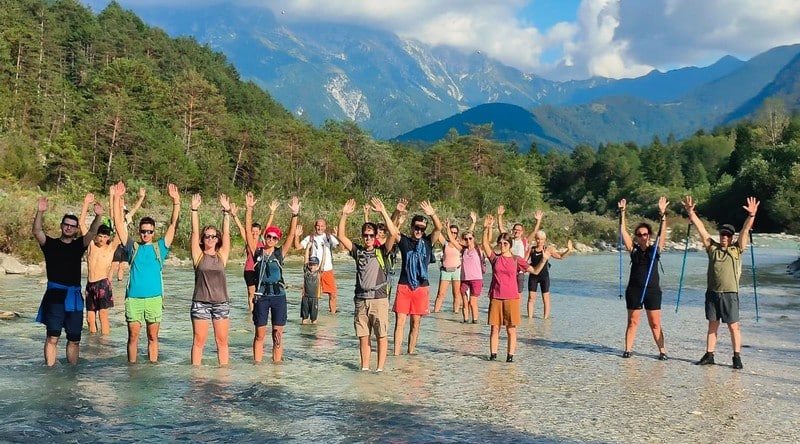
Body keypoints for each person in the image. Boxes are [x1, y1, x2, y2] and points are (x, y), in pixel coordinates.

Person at [683, 195, 759, 370]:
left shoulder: (737, 249)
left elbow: (745, 231)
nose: (724, 237)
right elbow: (702, 230)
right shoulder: (712, 248)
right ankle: (709, 355)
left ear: (732, 237)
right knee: (712, 325)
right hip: (712, 293)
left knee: (733, 327)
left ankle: (736, 357)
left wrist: (751, 216)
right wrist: (691, 213)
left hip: (730, 294)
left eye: (728, 235)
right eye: (722, 234)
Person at [112, 182, 180, 364]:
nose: (146, 234)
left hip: (154, 299)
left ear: (153, 232)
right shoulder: (132, 247)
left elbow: (173, 225)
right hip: (133, 299)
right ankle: (132, 370)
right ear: (139, 232)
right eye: (143, 231)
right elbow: (118, 224)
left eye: (149, 231)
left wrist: (176, 201)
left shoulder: (160, 248)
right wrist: (117, 198)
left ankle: (153, 368)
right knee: (133, 337)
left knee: (153, 337)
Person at [32, 195, 104, 366]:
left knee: (74, 339)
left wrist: (99, 216)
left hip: (74, 297)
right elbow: (37, 231)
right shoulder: (50, 244)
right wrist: (40, 211)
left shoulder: (79, 245)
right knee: (53, 336)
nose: (69, 228)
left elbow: (92, 232)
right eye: (66, 224)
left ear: (76, 229)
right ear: (61, 226)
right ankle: (50, 371)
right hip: (55, 295)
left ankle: (72, 373)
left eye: (72, 226)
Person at [338, 197, 400, 371]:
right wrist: (344, 215)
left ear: (375, 237)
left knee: (381, 336)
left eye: (371, 235)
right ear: (362, 236)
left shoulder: (383, 251)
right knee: (363, 336)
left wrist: (383, 212)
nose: (368, 238)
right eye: (365, 235)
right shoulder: (358, 252)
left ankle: (380, 369)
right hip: (361, 300)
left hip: (379, 299)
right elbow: (341, 236)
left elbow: (393, 234)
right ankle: (364, 368)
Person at [482, 215, 549, 362]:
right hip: (496, 297)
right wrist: (486, 228)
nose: (503, 245)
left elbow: (535, 271)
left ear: (510, 245)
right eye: (500, 243)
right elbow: (485, 244)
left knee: (511, 329)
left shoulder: (516, 260)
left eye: (505, 243)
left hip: (512, 298)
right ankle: (493, 356)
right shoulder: (495, 259)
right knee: (495, 328)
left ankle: (510, 357)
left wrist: (544, 259)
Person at [244, 192, 300, 362]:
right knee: (259, 334)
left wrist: (295, 215)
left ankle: (276, 367)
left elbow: (291, 236)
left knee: (277, 335)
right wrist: (249, 209)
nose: (271, 239)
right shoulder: (257, 251)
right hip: (261, 296)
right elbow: (248, 232)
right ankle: (258, 365)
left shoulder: (279, 253)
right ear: (265, 236)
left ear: (277, 240)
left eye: (274, 238)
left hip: (278, 296)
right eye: (268, 236)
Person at [618, 197, 668, 360]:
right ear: (637, 237)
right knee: (632, 321)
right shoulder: (633, 250)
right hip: (634, 290)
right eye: (639, 235)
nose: (642, 237)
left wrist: (663, 215)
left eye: (645, 234)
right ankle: (628, 350)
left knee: (655, 323)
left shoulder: (655, 250)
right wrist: (622, 213)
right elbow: (623, 232)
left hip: (652, 291)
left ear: (649, 236)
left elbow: (662, 233)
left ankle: (662, 351)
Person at [392, 200, 443, 356]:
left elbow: (439, 228)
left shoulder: (427, 243)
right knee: (400, 322)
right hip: (404, 286)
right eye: (416, 227)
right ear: (411, 227)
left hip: (421, 288)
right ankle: (396, 355)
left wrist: (432, 214)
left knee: (415, 323)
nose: (419, 231)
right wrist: (397, 212)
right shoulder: (405, 242)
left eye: (422, 229)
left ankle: (410, 354)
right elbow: (392, 229)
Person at [189, 193, 232, 366]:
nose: (210, 239)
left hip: (221, 303)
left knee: (222, 342)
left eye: (213, 236)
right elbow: (194, 232)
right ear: (203, 239)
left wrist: (226, 212)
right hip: (201, 303)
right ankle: (196, 374)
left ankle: (223, 375)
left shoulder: (222, 255)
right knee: (199, 342)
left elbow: (227, 233)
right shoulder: (198, 255)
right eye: (207, 236)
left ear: (217, 239)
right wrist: (194, 210)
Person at [79, 191, 120, 335]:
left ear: (108, 238)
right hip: (90, 284)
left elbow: (120, 230)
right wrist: (86, 203)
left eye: (104, 236)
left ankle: (104, 343)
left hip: (103, 284)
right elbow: (81, 224)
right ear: (96, 236)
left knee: (103, 316)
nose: (102, 239)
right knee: (90, 319)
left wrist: (116, 201)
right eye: (100, 236)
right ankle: (92, 344)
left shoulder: (110, 248)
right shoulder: (91, 245)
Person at [231, 199, 279, 314]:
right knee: (251, 293)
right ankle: (251, 313)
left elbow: (268, 226)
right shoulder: (248, 240)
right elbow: (242, 229)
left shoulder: (263, 239)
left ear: (260, 232)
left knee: (261, 292)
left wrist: (272, 212)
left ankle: (260, 311)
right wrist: (235, 216)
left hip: (260, 270)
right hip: (249, 269)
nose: (254, 233)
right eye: (253, 231)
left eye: (257, 231)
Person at [526, 211, 573, 319]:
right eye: (538, 239)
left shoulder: (548, 249)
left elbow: (560, 257)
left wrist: (568, 250)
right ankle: (530, 319)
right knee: (531, 298)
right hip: (533, 276)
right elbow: (524, 261)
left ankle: (545, 320)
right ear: (536, 239)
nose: (540, 241)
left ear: (545, 240)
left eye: (542, 239)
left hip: (544, 277)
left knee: (546, 299)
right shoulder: (532, 249)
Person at [433, 212, 477, 314]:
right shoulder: (444, 242)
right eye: (451, 232)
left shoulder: (460, 243)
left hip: (457, 271)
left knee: (456, 294)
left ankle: (455, 314)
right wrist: (434, 217)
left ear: (457, 234)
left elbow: (469, 235)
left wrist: (473, 222)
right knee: (441, 294)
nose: (453, 234)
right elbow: (437, 230)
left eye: (455, 233)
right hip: (445, 271)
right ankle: (435, 314)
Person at [497, 206, 543, 299]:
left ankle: (517, 307)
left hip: (520, 271)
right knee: (506, 290)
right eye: (515, 229)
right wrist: (499, 216)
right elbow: (501, 229)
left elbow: (534, 232)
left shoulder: (525, 241)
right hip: (508, 268)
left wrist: (538, 221)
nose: (517, 231)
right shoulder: (509, 240)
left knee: (518, 293)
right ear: (512, 230)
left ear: (522, 232)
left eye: (519, 230)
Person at [298, 218, 340, 314]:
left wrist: (339, 237)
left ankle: (333, 316)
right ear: (315, 226)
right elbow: (298, 246)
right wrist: (296, 236)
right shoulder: (310, 238)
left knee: (333, 294)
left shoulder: (329, 237)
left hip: (327, 270)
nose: (320, 228)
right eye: (318, 226)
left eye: (322, 226)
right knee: (311, 295)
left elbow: (341, 247)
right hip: (313, 271)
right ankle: (310, 315)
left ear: (325, 227)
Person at [110, 187, 145, 282]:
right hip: (117, 244)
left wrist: (141, 197)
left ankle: (119, 284)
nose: (122, 212)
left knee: (122, 266)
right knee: (113, 265)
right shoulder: (115, 219)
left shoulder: (127, 219)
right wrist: (112, 195)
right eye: (121, 210)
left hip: (125, 245)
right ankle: (107, 284)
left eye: (124, 211)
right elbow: (112, 209)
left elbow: (135, 208)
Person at [459, 230, 485, 323]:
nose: (468, 240)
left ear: (473, 238)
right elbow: (452, 241)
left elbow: (487, 240)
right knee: (465, 303)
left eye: (470, 238)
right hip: (464, 279)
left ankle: (475, 322)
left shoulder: (478, 249)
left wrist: (486, 229)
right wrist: (447, 229)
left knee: (473, 302)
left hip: (476, 279)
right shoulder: (463, 250)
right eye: (466, 239)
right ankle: (465, 322)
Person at [300, 256, 322, 325]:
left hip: (314, 298)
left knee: (314, 320)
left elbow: (323, 263)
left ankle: (313, 331)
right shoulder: (306, 272)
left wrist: (324, 250)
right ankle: (303, 331)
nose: (312, 267)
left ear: (317, 266)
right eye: (311, 265)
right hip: (305, 298)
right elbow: (305, 260)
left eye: (314, 265)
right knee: (304, 319)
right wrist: (307, 249)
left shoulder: (318, 273)